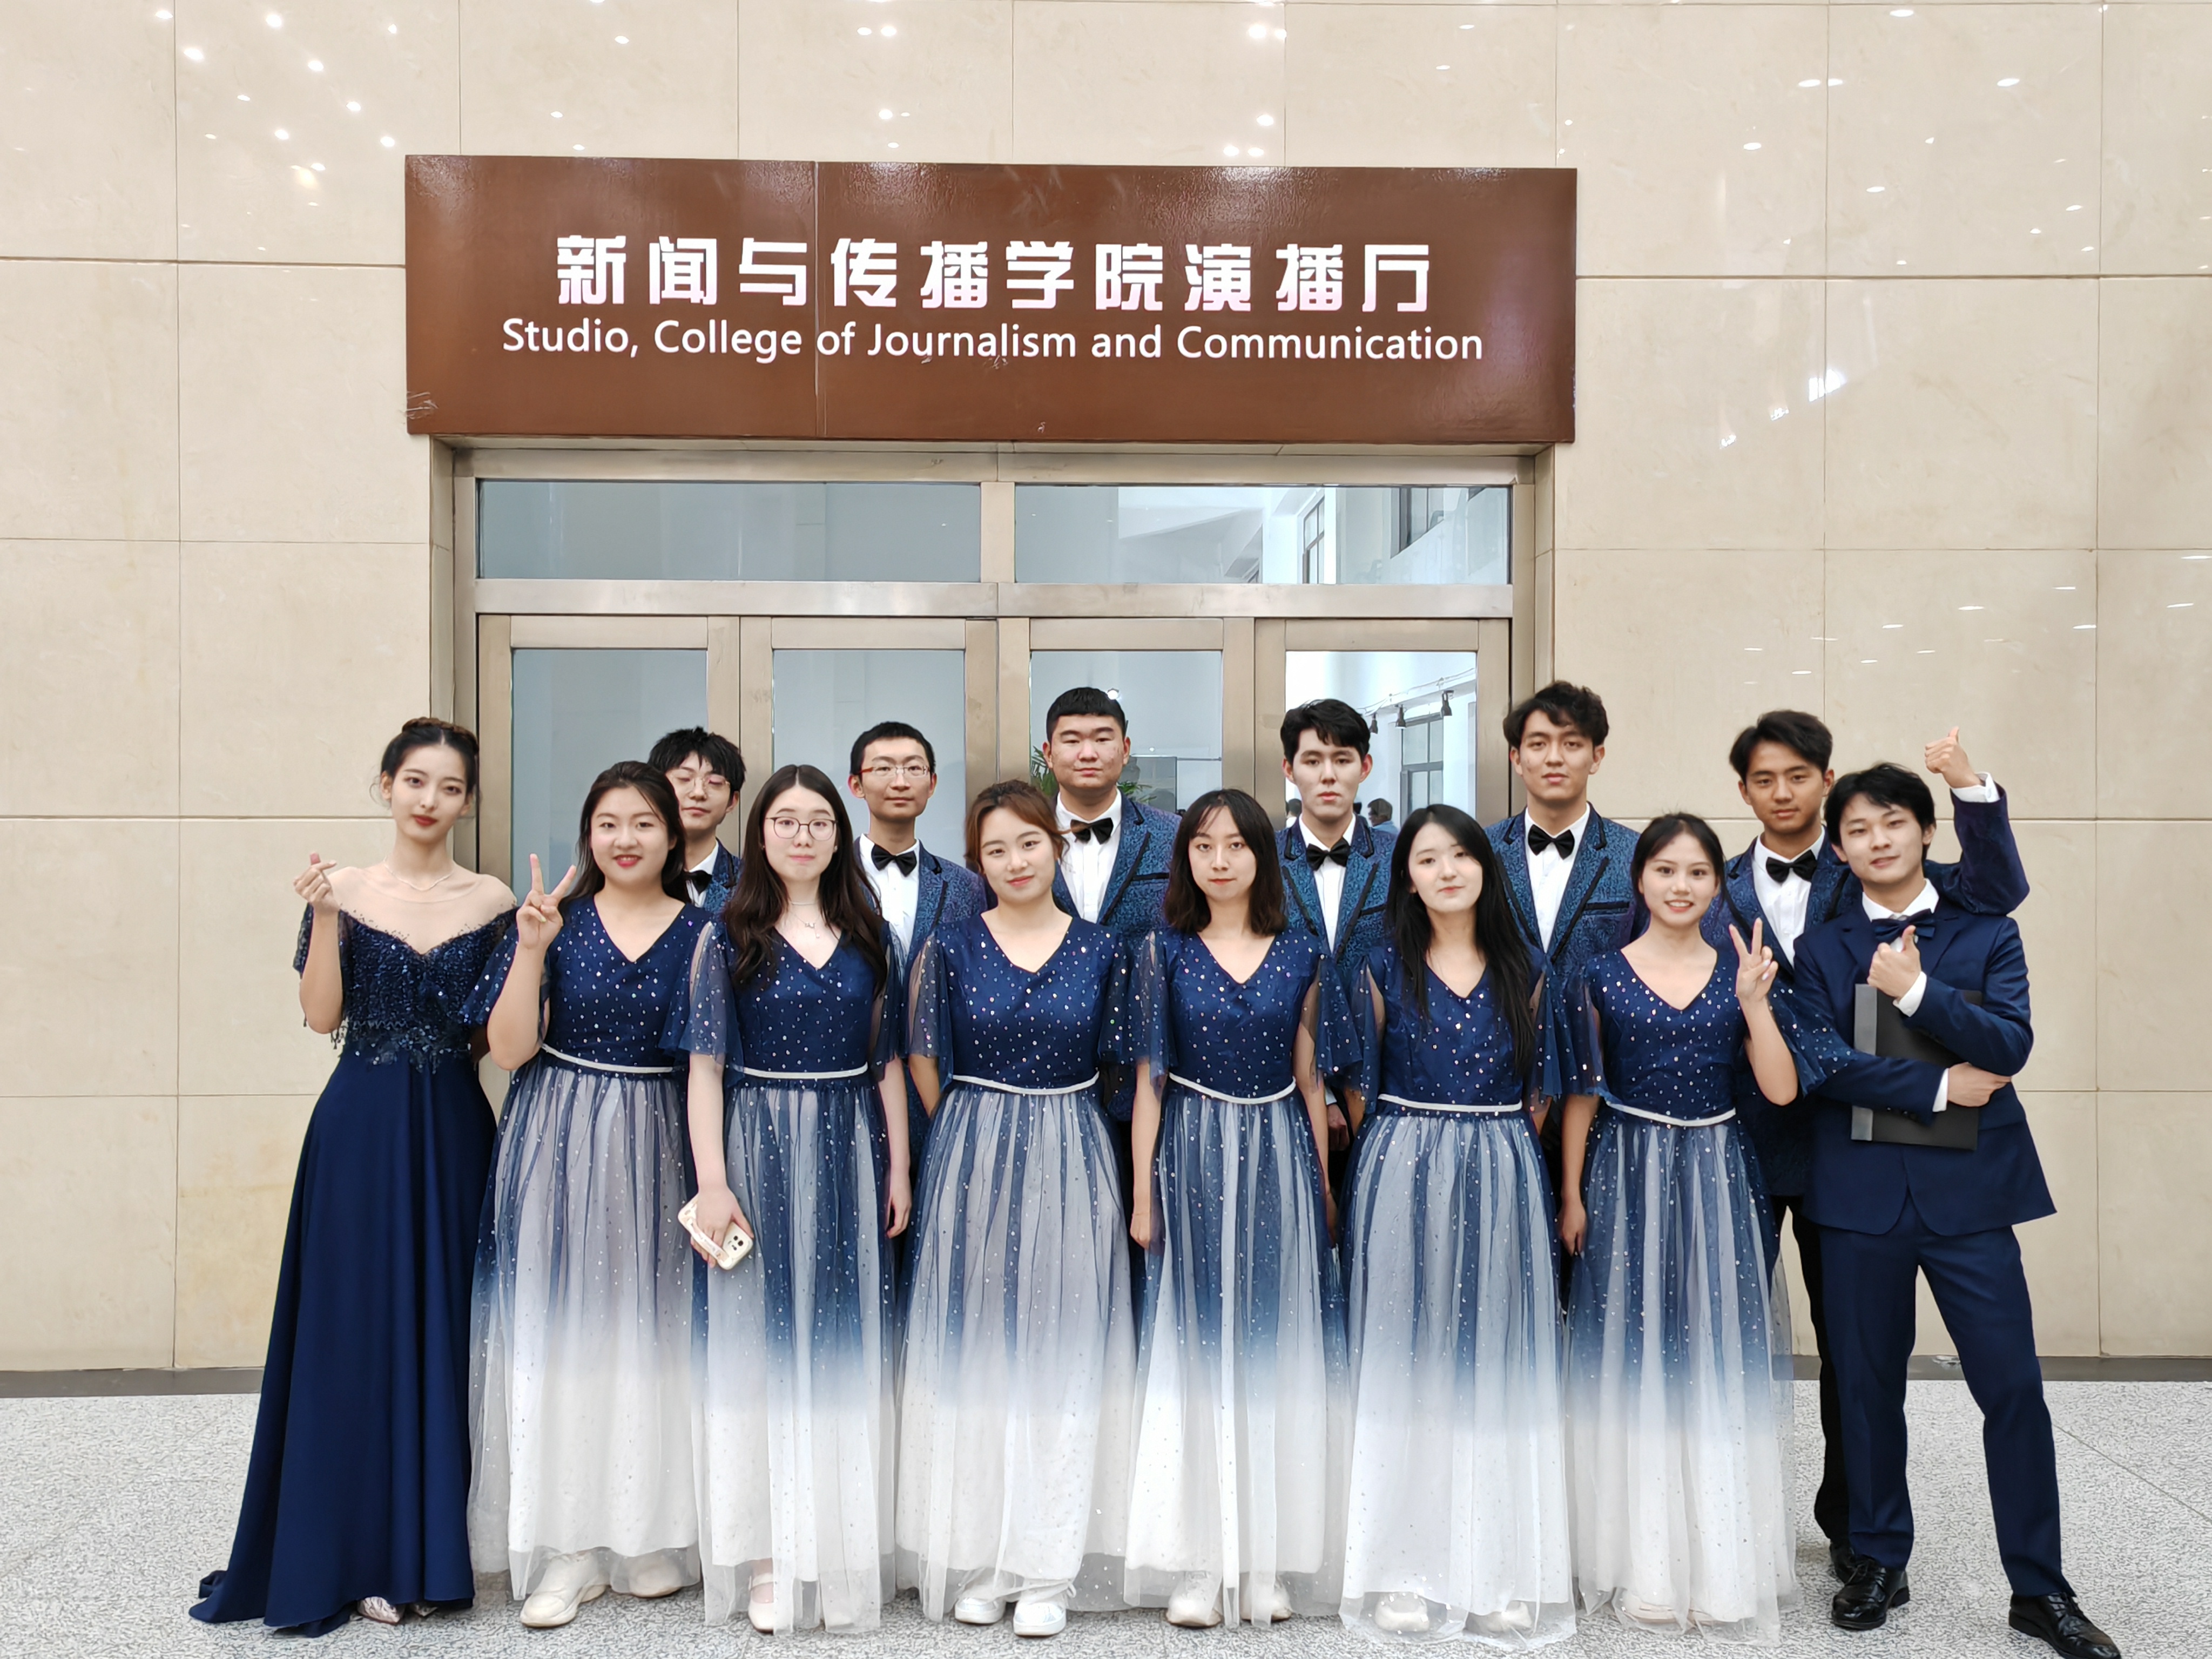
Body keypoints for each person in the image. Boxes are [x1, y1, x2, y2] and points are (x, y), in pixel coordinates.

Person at [193, 719, 515, 1634]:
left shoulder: (492, 899)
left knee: (444, 1333)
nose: (429, 799)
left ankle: (428, 1555)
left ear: (467, 800)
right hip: (358, 1127)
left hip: (453, 1125)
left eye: (448, 786)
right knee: (352, 1333)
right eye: (415, 780)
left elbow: (495, 1039)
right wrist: (329, 915)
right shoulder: (340, 890)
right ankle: (351, 1553)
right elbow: (320, 1015)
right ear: (385, 786)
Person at [1790, 766, 2119, 1659]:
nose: (1878, 840)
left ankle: (2040, 1589)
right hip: (1857, 1199)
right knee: (1866, 1390)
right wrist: (1938, 1084)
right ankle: (1877, 1558)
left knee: (2012, 1388)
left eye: (1893, 822)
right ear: (1840, 849)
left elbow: (2009, 1044)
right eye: (1858, 830)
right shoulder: (1820, 950)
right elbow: (1822, 1064)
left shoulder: (1986, 930)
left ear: (1927, 831)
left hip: (1972, 1198)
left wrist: (1916, 994)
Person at [1715, 714, 2030, 1582]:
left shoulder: (1914, 886)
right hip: (1743, 1134)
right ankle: (1723, 1528)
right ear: (1743, 791)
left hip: (1858, 1153)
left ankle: (1858, 1535)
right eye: (1764, 778)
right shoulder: (1708, 877)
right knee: (1745, 1345)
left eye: (1799, 775)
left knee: (1856, 1361)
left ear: (1826, 783)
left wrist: (1968, 784)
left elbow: (1998, 886)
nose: (1782, 791)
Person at [465, 763, 708, 1629]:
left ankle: (642, 1533)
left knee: (651, 1335)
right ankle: (566, 1546)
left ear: (672, 836)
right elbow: (508, 1052)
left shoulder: (708, 932)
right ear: (588, 834)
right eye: (609, 823)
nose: (626, 839)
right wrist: (530, 948)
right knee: (559, 1336)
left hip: (661, 1144)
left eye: (643, 823)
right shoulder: (551, 924)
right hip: (558, 1139)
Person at [896, 781, 1134, 1638]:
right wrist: (972, 1130)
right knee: (982, 1356)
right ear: (978, 864)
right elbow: (925, 1057)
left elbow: (1121, 1068)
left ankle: (1048, 1567)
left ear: (1055, 845)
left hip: (1072, 1149)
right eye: (995, 850)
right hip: (973, 1151)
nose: (1015, 861)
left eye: (1029, 843)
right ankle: (985, 1558)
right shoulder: (950, 947)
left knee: (1061, 1358)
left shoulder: (1106, 950)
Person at [1556, 814, 1801, 1642]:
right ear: (1641, 879)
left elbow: (1779, 1090)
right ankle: (1645, 1563)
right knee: (1633, 1356)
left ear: (1716, 884)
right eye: (1665, 870)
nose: (1681, 885)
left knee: (1710, 1355)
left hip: (1715, 1175)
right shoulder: (1597, 974)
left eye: (1698, 872)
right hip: (1624, 1172)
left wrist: (1756, 1006)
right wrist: (1571, 1194)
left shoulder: (1741, 974)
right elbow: (1582, 1096)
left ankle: (1721, 1564)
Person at [682, 764, 912, 1633]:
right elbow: (705, 1069)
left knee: (841, 1342)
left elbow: (888, 1063)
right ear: (761, 833)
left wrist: (898, 1169)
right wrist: (712, 1182)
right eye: (786, 820)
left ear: (839, 833)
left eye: (819, 820)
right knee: (759, 1348)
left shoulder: (871, 935)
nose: (803, 835)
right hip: (757, 1145)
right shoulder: (726, 935)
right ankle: (769, 1555)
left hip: (850, 1145)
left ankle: (840, 1544)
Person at [1337, 804, 1574, 1645]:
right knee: (1410, 1364)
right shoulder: (1379, 966)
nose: (1447, 871)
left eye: (1461, 856)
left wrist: (1488, 1149)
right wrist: (1414, 1151)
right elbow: (1357, 1090)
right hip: (1403, 1165)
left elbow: (1542, 1094)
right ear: (1406, 877)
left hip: (1503, 1169)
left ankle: (1501, 1569)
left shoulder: (1528, 968)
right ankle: (1404, 1570)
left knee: (1496, 1365)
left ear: (1485, 868)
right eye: (1428, 858)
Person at [1124, 789, 1352, 1629]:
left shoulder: (1303, 953)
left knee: (1273, 1350)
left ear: (1264, 856)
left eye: (1236, 846)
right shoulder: (1162, 953)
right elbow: (1150, 1083)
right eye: (1203, 846)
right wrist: (1142, 1192)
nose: (1219, 861)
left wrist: (1321, 1188)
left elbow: (1312, 1084)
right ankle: (1198, 1560)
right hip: (1188, 1152)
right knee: (1194, 1352)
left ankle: (1266, 1559)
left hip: (1278, 1157)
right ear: (1184, 857)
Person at [1041, 685, 1180, 1273]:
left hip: (1153, 1074)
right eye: (1072, 739)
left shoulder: (1176, 837)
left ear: (1125, 750)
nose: (1087, 752)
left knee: (1154, 1242)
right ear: (1048, 753)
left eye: (1102, 739)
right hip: (1047, 1077)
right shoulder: (1017, 835)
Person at [1483, 683, 1636, 1198]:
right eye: (1539, 744)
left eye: (1571, 744)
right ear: (1516, 758)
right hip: (1497, 1084)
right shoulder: (1477, 855)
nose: (1554, 758)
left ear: (1597, 757)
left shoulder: (1637, 857)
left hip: (1607, 1092)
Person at [846, 719, 986, 1174]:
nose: (900, 780)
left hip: (940, 1087)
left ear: (933, 783)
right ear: (856, 785)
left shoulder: (967, 887)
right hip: (850, 1086)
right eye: (884, 768)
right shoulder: (827, 880)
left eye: (913, 768)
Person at [1278, 698, 1398, 1186]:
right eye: (1312, 760)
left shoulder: (1404, 858)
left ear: (1364, 767)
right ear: (1289, 769)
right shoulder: (1259, 862)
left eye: (1342, 759)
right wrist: (1321, 1093)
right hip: (1285, 1092)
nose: (1328, 775)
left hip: (1391, 1090)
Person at [651, 726, 745, 913]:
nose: (698, 793)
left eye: (715, 782)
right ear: (656, 789)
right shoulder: (636, 875)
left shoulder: (751, 881)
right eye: (684, 778)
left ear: (732, 801)